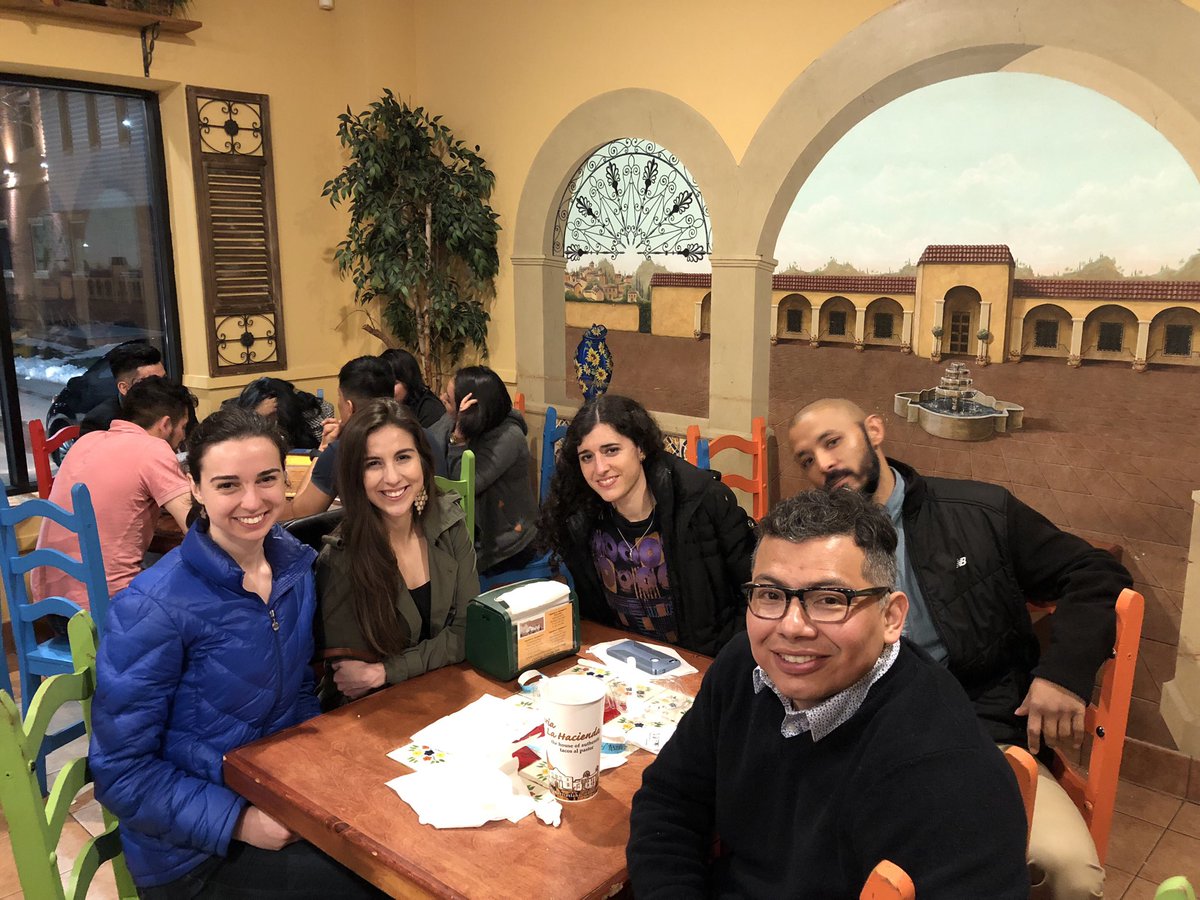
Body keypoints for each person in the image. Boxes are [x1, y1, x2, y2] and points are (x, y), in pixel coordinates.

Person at [788, 397, 1133, 900]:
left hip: (981, 739)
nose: (823, 464)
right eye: (806, 459)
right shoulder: (812, 543)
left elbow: (1096, 572)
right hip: (853, 739)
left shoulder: (978, 512)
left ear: (874, 431)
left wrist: (1062, 674)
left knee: (1069, 873)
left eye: (832, 441)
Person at [627, 489, 1030, 899]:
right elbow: (669, 801)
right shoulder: (743, 666)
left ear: (891, 617)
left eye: (830, 600)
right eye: (770, 595)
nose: (791, 627)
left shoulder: (948, 773)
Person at [90, 407, 381, 898]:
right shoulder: (152, 607)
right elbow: (121, 772)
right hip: (190, 852)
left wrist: (320, 773)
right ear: (196, 489)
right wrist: (240, 822)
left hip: (276, 794)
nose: (252, 501)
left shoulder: (293, 569)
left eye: (267, 479)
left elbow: (296, 693)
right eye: (228, 485)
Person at [538, 394, 756, 656]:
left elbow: (756, 591)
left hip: (704, 660)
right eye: (587, 457)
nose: (600, 468)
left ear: (640, 448)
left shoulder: (701, 501)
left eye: (611, 450)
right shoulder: (580, 516)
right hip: (623, 661)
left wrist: (729, 659)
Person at [316, 399, 477, 707]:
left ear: (423, 461)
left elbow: (468, 631)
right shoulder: (340, 558)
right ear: (355, 475)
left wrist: (388, 670)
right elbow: (354, 681)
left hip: (441, 691)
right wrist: (387, 673)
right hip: (369, 712)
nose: (391, 477)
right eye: (373, 464)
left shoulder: (449, 522)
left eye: (403, 457)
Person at [33, 376, 193, 611]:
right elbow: (194, 525)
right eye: (183, 427)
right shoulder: (154, 450)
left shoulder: (86, 441)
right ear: (166, 424)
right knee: (199, 600)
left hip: (50, 605)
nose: (183, 436)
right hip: (107, 608)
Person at [427, 365, 539, 576]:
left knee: (440, 570)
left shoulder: (508, 437)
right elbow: (428, 438)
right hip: (475, 533)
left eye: (448, 399)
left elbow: (463, 487)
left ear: (471, 409)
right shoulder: (465, 421)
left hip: (507, 544)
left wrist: (458, 440)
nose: (441, 398)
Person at [289, 356, 394, 518]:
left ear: (350, 407)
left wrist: (323, 449)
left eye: (339, 397)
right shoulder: (423, 436)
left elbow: (301, 512)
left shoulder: (340, 451)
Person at [79, 340, 166, 436]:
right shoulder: (99, 422)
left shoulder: (171, 405)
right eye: (152, 382)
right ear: (124, 387)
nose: (162, 386)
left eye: (164, 379)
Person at [228, 376, 331, 450]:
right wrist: (256, 415)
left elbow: (326, 408)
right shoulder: (239, 419)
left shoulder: (307, 415)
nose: (267, 423)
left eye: (272, 416)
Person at [379, 347, 445, 428]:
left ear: (408, 381)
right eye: (382, 382)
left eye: (393, 383)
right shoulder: (383, 407)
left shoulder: (431, 411)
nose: (386, 388)